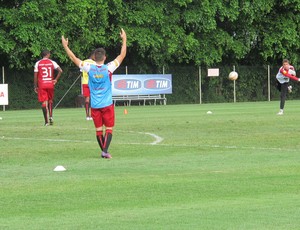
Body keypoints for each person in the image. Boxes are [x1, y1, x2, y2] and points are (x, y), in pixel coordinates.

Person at [61, 28, 127, 159]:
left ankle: (104, 151)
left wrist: (65, 46)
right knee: (109, 129)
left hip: (95, 105)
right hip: (107, 104)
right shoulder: (109, 67)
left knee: (98, 130)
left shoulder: (88, 67)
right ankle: (105, 151)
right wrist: (124, 39)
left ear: (94, 58)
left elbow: (73, 58)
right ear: (105, 58)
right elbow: (122, 54)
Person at [34, 50, 63, 125]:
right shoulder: (52, 62)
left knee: (44, 102)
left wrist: (35, 86)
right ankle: (51, 116)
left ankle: (46, 121)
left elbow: (35, 76)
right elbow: (60, 70)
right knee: (50, 100)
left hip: (42, 84)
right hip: (50, 84)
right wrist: (55, 80)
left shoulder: (38, 63)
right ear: (48, 54)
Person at [81, 50, 95, 120]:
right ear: (92, 55)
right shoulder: (94, 63)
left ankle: (87, 116)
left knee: (87, 99)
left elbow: (81, 72)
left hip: (85, 82)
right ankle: (92, 115)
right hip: (92, 82)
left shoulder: (84, 62)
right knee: (92, 99)